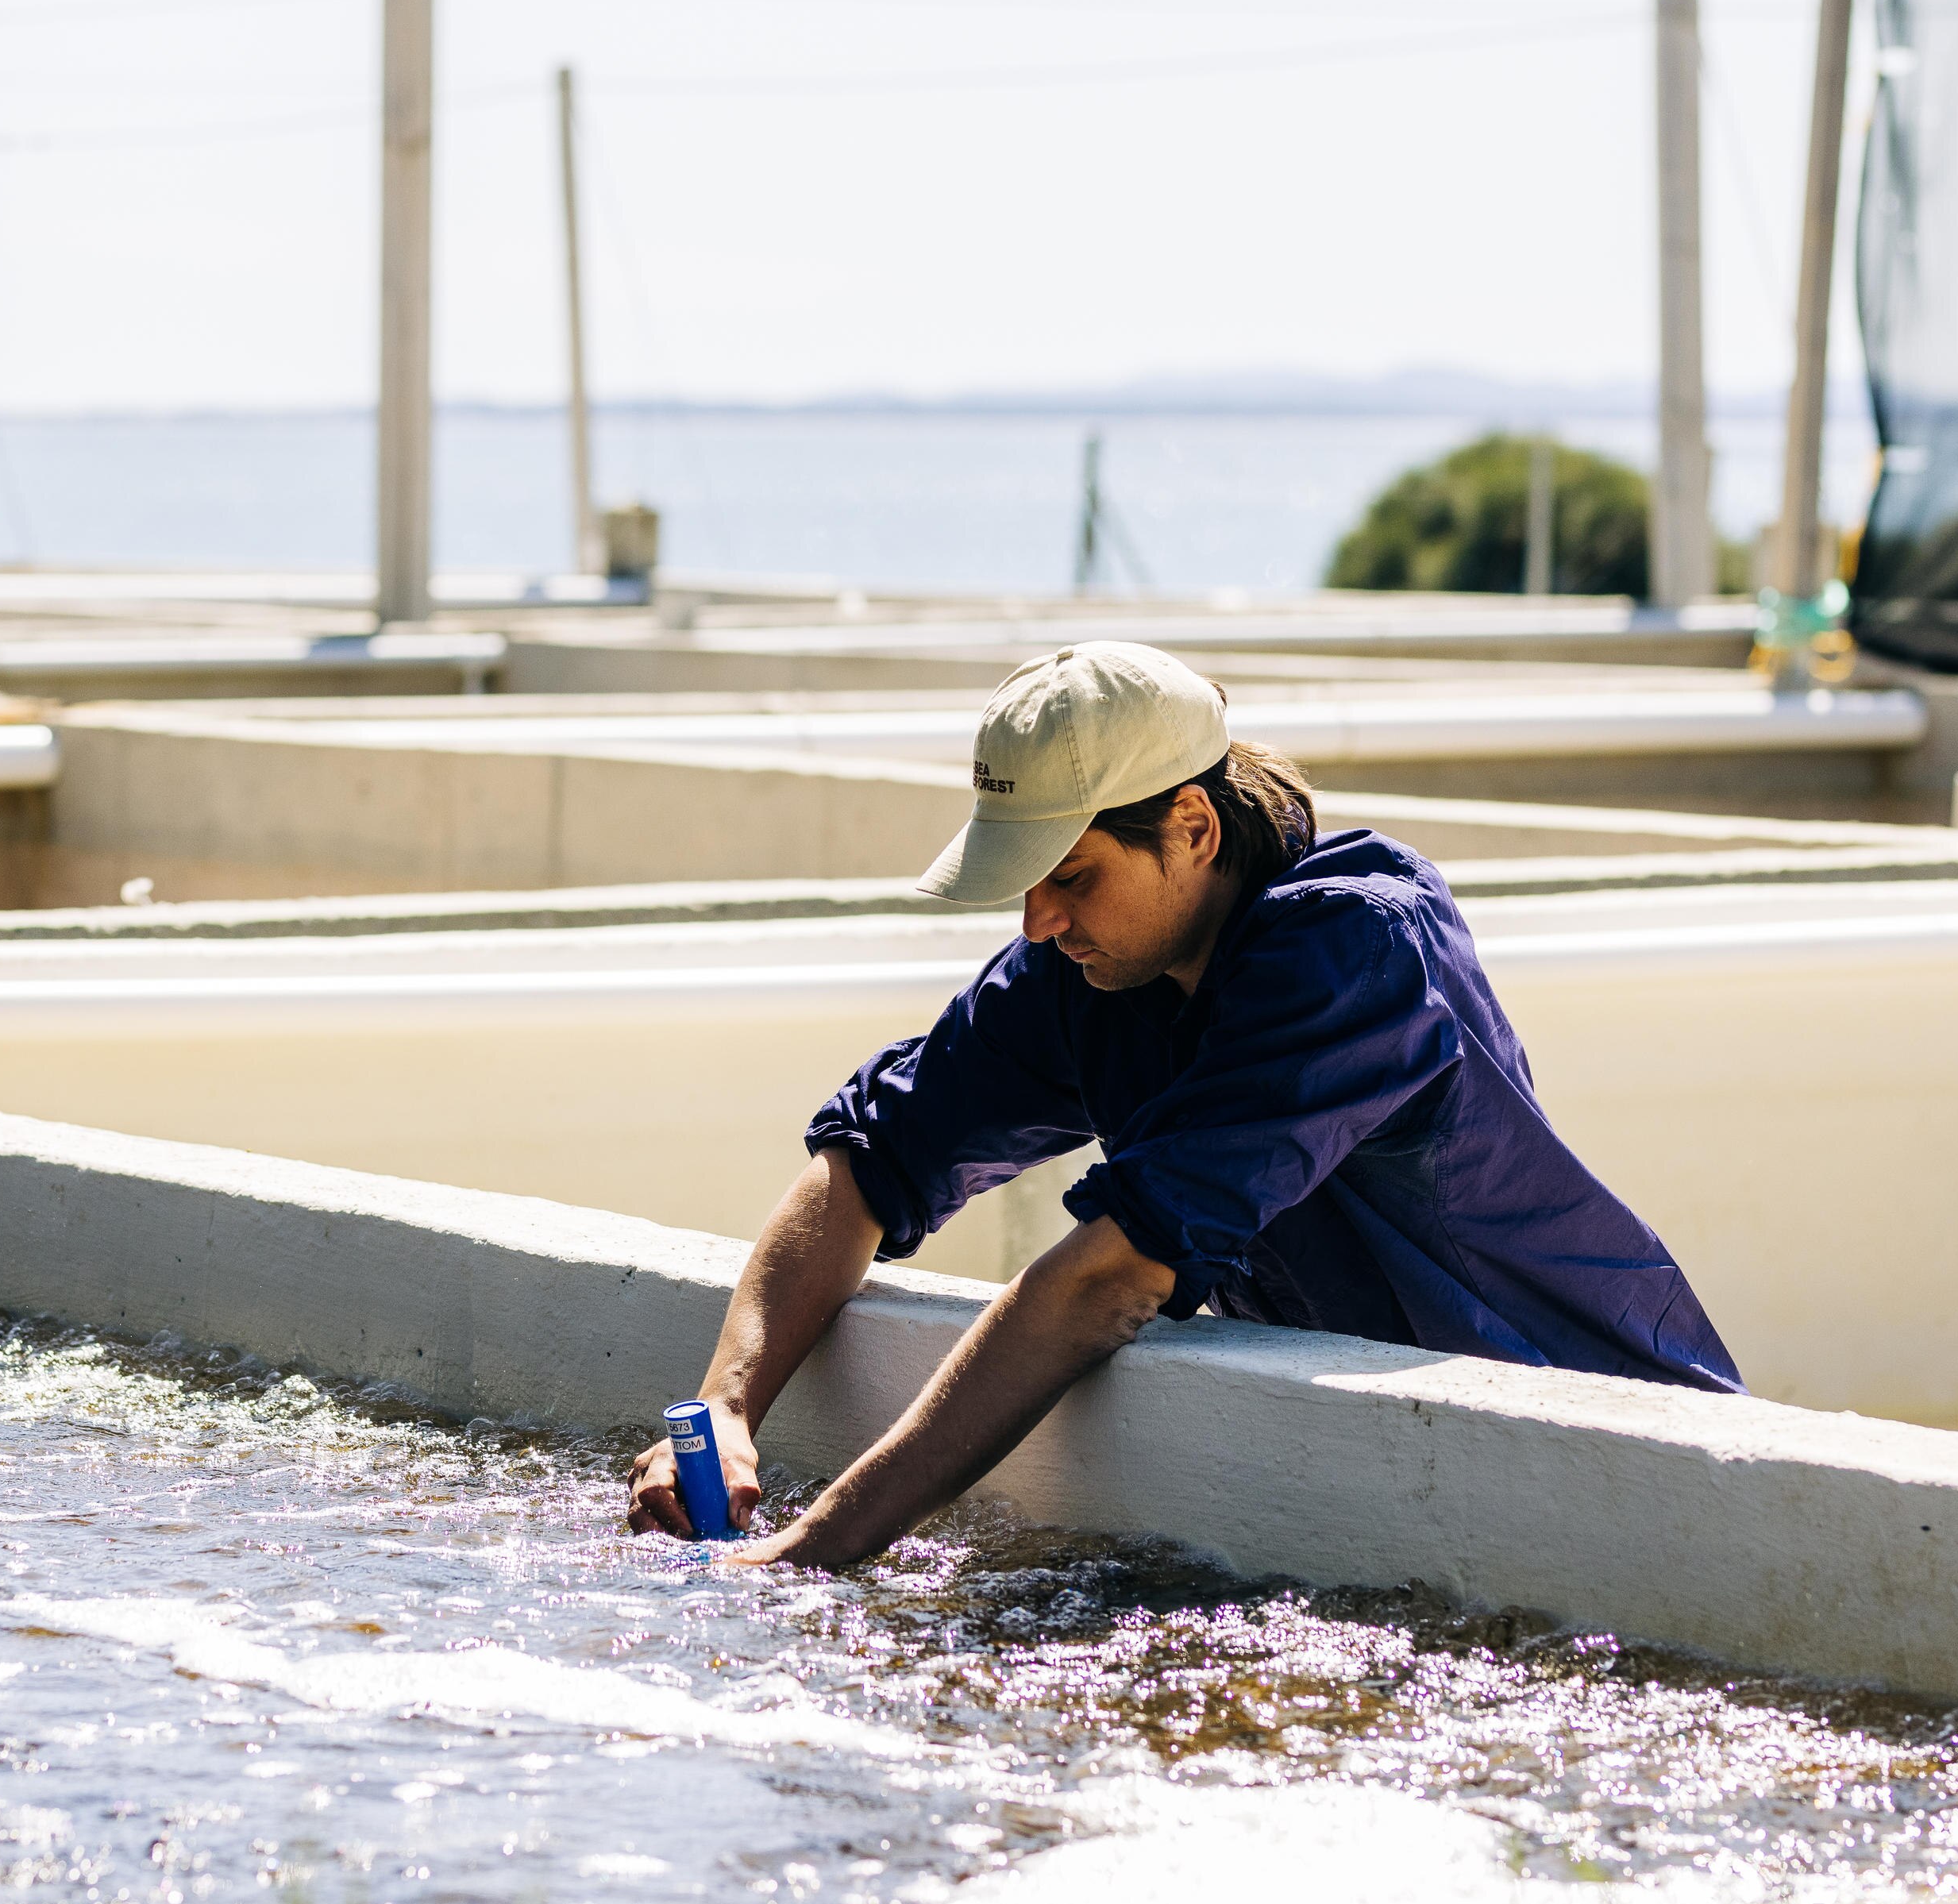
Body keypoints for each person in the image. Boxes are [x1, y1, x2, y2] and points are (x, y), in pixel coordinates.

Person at [626, 638, 1740, 1567]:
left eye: (1071, 873)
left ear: (1196, 828)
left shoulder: (1356, 948)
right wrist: (726, 1407)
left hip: (1629, 1452)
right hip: (1402, 1478)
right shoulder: (1084, 973)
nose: (1037, 920)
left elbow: (1110, 1279)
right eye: (1023, 879)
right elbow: (868, 1162)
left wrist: (815, 1547)